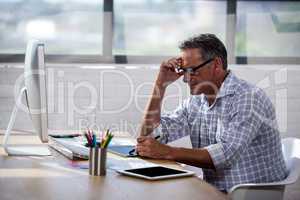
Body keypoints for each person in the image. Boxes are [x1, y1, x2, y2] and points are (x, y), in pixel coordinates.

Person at [136, 33, 287, 192]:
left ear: (216, 64)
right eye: (184, 71)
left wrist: (167, 152)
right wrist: (161, 84)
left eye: (192, 70)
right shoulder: (196, 101)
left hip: (247, 193)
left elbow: (225, 155)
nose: (186, 79)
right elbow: (151, 134)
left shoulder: (248, 98)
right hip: (214, 189)